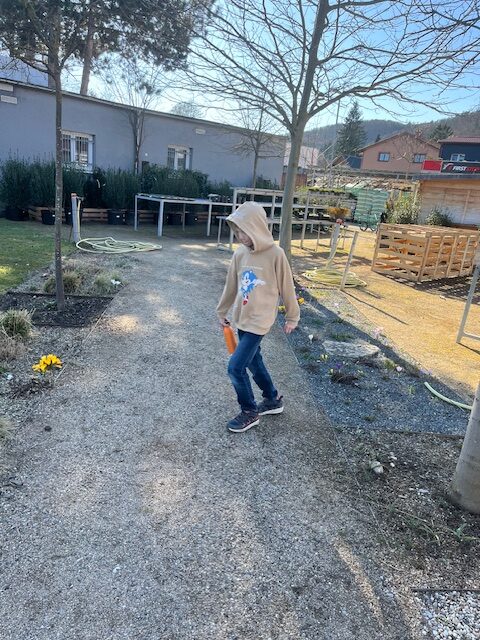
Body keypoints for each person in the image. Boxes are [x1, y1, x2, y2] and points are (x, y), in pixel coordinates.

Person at [216, 201, 300, 433]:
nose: (241, 236)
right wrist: (222, 311)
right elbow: (231, 286)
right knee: (254, 361)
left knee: (235, 367)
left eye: (245, 230)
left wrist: (292, 316)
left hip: (260, 321)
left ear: (257, 227)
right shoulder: (240, 254)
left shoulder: (276, 254)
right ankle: (272, 399)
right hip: (242, 318)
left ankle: (249, 411)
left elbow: (287, 287)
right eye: (237, 231)